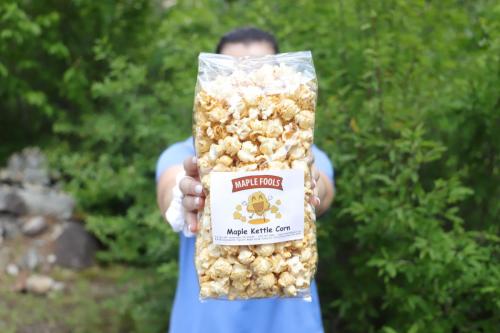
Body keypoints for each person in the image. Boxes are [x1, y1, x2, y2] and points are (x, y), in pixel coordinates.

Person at [156, 27, 335, 333]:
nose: (247, 85)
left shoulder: (303, 151)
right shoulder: (186, 153)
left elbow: (324, 192)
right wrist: (184, 197)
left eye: (260, 73)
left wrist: (307, 185)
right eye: (233, 73)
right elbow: (171, 188)